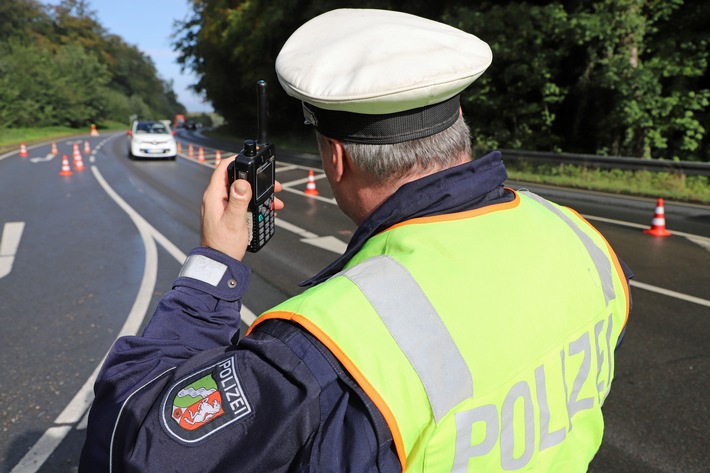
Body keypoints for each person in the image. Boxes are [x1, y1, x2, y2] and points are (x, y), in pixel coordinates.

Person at [79, 8, 632, 472]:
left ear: (335, 158)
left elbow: (130, 442)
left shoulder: (327, 342)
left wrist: (212, 267)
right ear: (458, 117)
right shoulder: (580, 241)